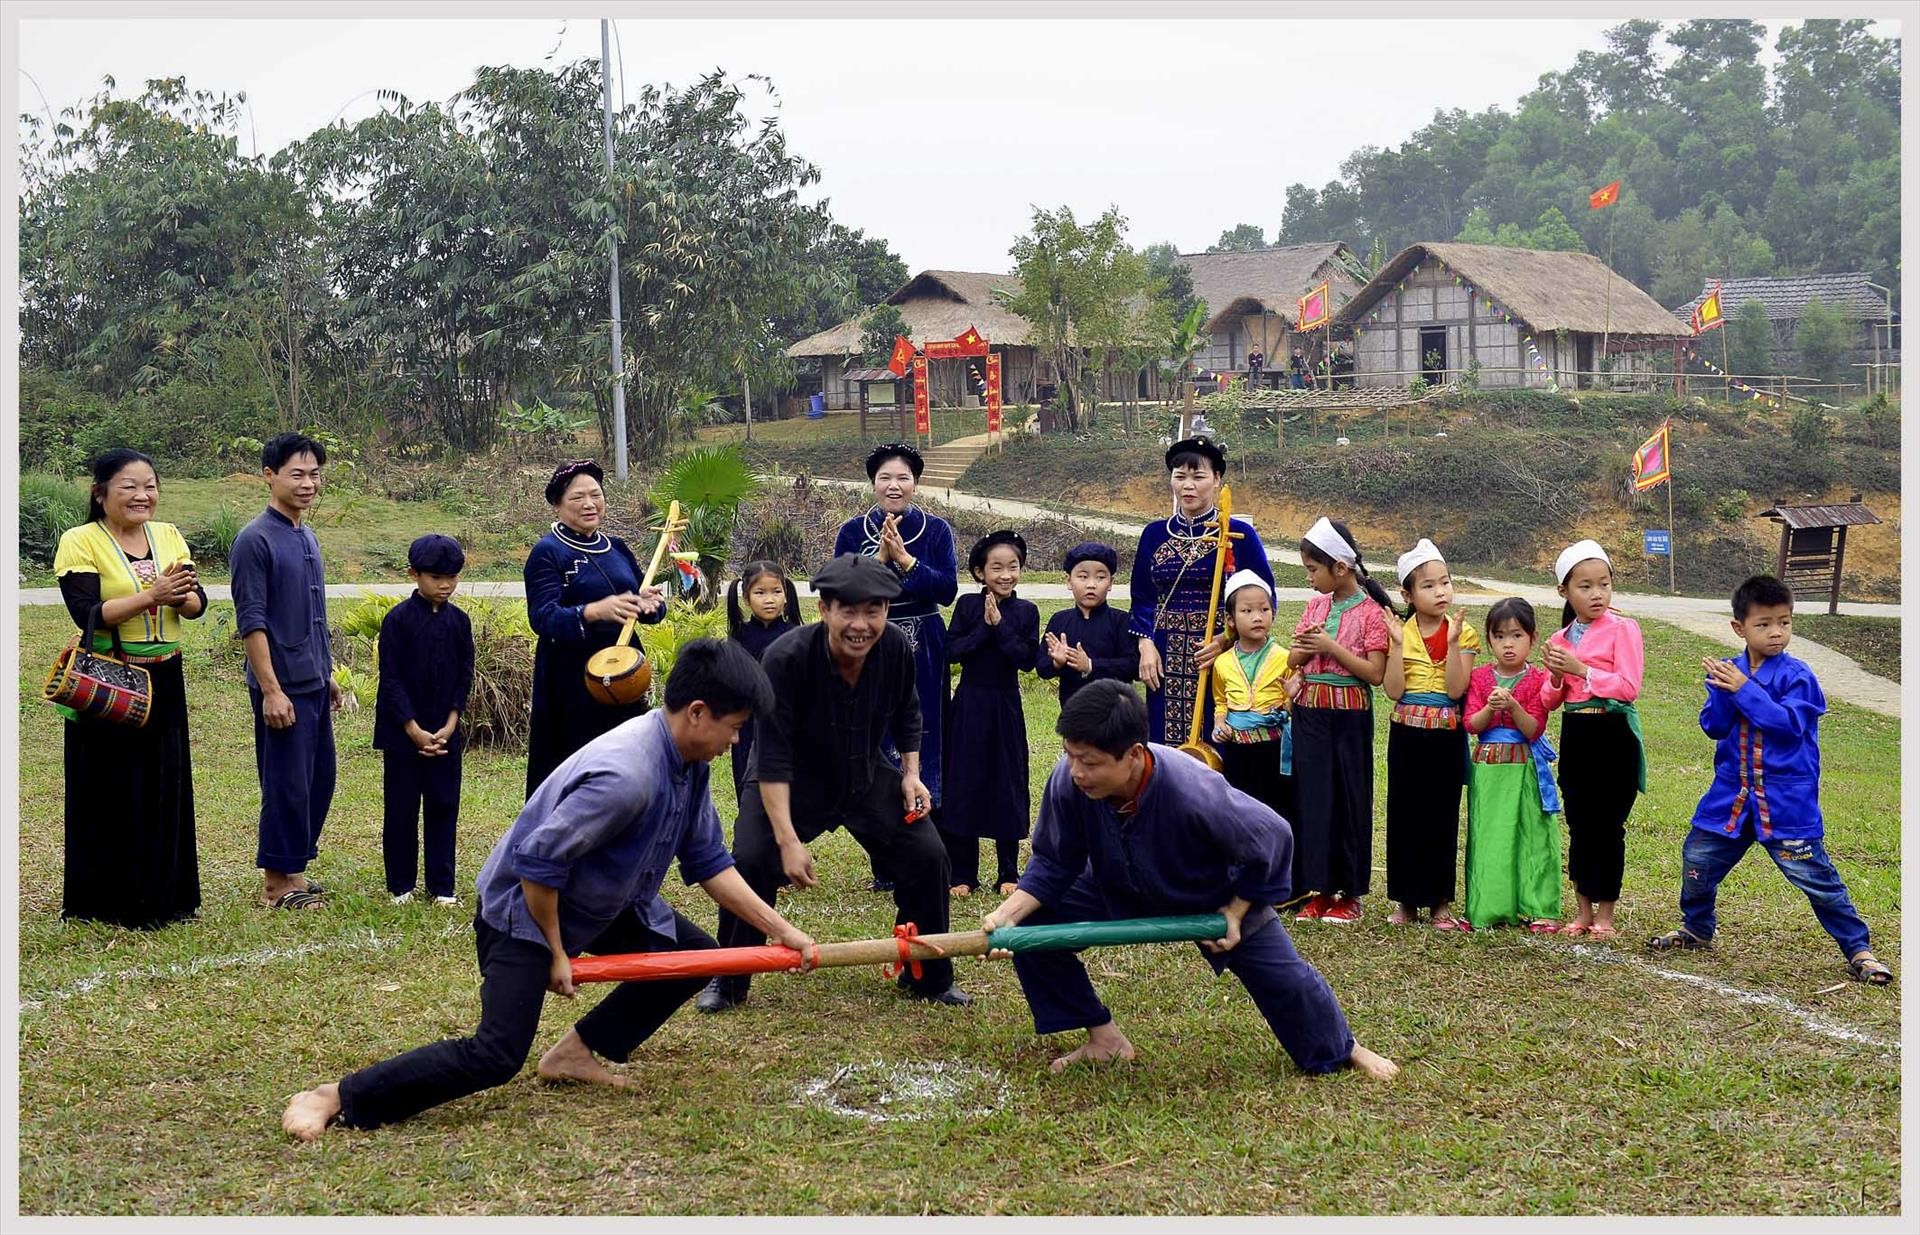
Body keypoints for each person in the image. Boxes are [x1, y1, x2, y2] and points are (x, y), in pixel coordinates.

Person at [280, 640, 818, 1139]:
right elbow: (536, 866)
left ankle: (577, 1053)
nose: (737, 740)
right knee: (496, 1054)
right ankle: (339, 1096)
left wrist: (781, 931)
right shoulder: (627, 775)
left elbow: (708, 864)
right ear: (697, 712)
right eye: (736, 726)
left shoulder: (689, 760)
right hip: (526, 913)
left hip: (606, 900)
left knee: (696, 958)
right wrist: (558, 953)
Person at [980, 681, 1397, 1081]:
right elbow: (1054, 861)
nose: (1076, 771)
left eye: (1089, 762)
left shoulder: (1194, 789)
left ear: (1134, 755)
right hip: (1116, 883)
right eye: (1071, 755)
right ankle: (1104, 1039)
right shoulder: (1068, 781)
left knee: (1286, 979)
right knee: (1034, 922)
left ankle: (1342, 1047)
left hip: (1207, 893)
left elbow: (1273, 837)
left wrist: (1234, 912)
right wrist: (1008, 914)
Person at [697, 554, 968, 1012]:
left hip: (863, 773)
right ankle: (729, 976)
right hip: (789, 780)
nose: (861, 624)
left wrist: (911, 775)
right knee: (751, 857)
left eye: (874, 611)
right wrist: (786, 839)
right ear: (824, 610)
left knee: (927, 854)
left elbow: (908, 714)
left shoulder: (896, 648)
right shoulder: (786, 657)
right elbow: (774, 754)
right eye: (848, 610)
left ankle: (926, 973)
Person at [1647, 575, 1892, 986]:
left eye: (1785, 621)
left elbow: (1787, 726)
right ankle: (1697, 928)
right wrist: (1725, 691)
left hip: (1785, 805)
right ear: (1739, 628)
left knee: (1816, 879)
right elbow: (1714, 726)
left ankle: (1859, 950)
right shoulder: (1729, 672)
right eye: (1764, 624)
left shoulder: (1798, 676)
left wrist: (1744, 690)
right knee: (1697, 861)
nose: (1777, 632)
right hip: (1731, 800)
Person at [52, 448, 208, 929]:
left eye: (150, 486)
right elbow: (89, 615)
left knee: (165, 783)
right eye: (129, 487)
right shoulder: (79, 541)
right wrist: (151, 595)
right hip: (110, 679)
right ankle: (107, 901)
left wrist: (184, 599)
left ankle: (167, 897)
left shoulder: (168, 536)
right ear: (101, 495)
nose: (143, 496)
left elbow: (197, 603)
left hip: (166, 674)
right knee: (112, 786)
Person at [833, 443, 959, 893]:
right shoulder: (852, 532)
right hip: (865, 641)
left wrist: (906, 561)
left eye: (903, 478)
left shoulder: (937, 529)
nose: (894, 485)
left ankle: (930, 851)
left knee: (924, 734)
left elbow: (946, 590)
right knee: (872, 735)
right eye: (885, 478)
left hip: (923, 641)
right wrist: (879, 562)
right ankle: (884, 858)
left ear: (916, 484)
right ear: (873, 484)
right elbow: (841, 590)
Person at [231, 433, 344, 912]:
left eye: (314, 474)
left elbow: (312, 613)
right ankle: (277, 883)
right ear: (269, 476)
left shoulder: (305, 533)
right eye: (296, 474)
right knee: (286, 785)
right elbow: (252, 621)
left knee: (319, 780)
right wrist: (271, 690)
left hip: (314, 680)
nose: (307, 483)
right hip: (283, 688)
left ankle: (294, 868)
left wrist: (328, 673)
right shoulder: (255, 539)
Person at [523, 460, 666, 800]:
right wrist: (591, 611)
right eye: (577, 498)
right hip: (570, 679)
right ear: (557, 505)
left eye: (596, 495)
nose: (589, 504)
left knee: (625, 761)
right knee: (573, 765)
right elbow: (542, 617)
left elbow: (645, 605)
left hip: (623, 674)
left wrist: (649, 604)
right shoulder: (548, 552)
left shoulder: (616, 547)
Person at [1129, 436, 1272, 749]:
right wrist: (1145, 644)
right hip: (1165, 655)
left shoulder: (1239, 534)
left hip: (1218, 656)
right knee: (1164, 748)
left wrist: (1225, 638)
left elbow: (1265, 598)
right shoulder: (1154, 534)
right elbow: (1142, 598)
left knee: (1216, 742)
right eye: (1180, 477)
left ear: (1217, 479)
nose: (1188, 486)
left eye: (1198, 477)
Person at [1286, 517, 1392, 924]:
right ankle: (1321, 889)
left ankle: (1350, 894)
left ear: (1340, 568)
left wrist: (1328, 646)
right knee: (1315, 799)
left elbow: (1375, 674)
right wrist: (1307, 648)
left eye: (1313, 570)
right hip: (1311, 712)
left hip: (1350, 714)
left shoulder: (1370, 612)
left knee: (1349, 797)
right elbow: (1293, 658)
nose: (1310, 578)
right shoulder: (1315, 606)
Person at [1539, 540, 1644, 941]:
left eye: (1604, 584)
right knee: (1581, 822)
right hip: (1577, 733)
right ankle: (1582, 911)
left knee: (1608, 824)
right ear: (1564, 591)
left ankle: (1605, 915)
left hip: (1612, 733)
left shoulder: (1623, 629)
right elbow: (1550, 700)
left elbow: (1628, 687)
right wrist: (1555, 675)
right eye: (1585, 586)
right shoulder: (1559, 639)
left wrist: (1581, 669)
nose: (1597, 593)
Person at [1381, 539, 1478, 929]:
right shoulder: (1400, 631)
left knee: (1441, 815)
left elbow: (1456, 690)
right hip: (1406, 734)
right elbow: (1393, 691)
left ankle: (1440, 902)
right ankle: (1406, 901)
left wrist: (1453, 645)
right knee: (1404, 814)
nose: (1441, 592)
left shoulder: (1464, 632)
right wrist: (1395, 646)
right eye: (1429, 586)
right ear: (1408, 594)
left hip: (1445, 736)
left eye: (1445, 583)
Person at [374, 534, 475, 907]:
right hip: (403, 735)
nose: (445, 584)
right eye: (436, 577)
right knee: (400, 808)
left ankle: (442, 885)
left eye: (452, 577)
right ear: (414, 574)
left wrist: (452, 721)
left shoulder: (459, 622)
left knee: (444, 805)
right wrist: (413, 729)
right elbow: (392, 678)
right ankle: (401, 884)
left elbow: (465, 674)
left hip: (446, 732)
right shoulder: (397, 620)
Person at [941, 530, 1041, 898]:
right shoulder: (968, 605)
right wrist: (984, 625)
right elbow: (953, 652)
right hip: (968, 702)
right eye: (996, 567)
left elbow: (1026, 659)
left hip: (1005, 704)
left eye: (1012, 567)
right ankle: (962, 872)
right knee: (964, 781)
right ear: (980, 572)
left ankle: (1008, 872)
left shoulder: (1026, 611)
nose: (1005, 575)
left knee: (1007, 781)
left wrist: (1000, 627)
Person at [1462, 599, 1563, 933]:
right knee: (1491, 834)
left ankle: (1540, 908)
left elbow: (1534, 728)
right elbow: (1471, 725)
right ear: (1489, 640)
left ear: (1532, 639)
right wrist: (1490, 709)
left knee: (1532, 833)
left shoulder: (1537, 679)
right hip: (1489, 769)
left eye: (1517, 635)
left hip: (1525, 767)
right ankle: (1490, 908)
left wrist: (1514, 706)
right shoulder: (1478, 678)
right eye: (1500, 636)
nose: (1508, 644)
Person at [1208, 569, 1295, 825]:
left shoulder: (1284, 657)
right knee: (1240, 809)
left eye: (1264, 610)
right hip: (1238, 749)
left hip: (1273, 747)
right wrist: (1220, 723)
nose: (1257, 617)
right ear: (1230, 619)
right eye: (1247, 611)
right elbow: (1220, 700)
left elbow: (1291, 701)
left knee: (1275, 810)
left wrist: (1289, 703)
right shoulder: (1223, 663)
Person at [723, 560, 802, 801]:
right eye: (760, 593)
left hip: (786, 723)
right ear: (746, 598)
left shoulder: (796, 635)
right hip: (748, 724)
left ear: (786, 595)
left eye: (776, 592)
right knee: (749, 787)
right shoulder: (739, 637)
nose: (769, 599)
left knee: (787, 788)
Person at [1038, 542, 1136, 708]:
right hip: (1073, 712)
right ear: (1069, 581)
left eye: (1100, 577)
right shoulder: (1060, 620)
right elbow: (1042, 667)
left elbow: (1133, 666)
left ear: (1111, 583)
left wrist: (1090, 665)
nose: (1091, 584)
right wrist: (1057, 663)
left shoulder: (1121, 620)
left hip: (1114, 712)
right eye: (1083, 577)